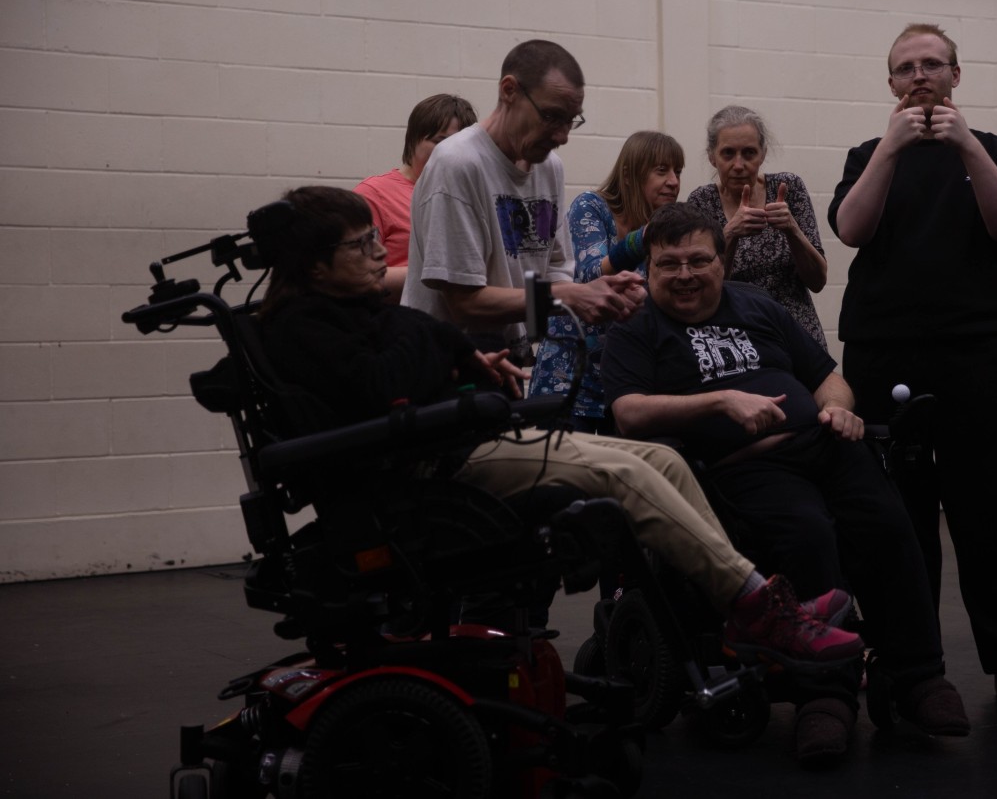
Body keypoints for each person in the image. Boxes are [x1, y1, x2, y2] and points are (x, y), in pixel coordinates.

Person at [252, 185, 865, 667]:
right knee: (621, 471)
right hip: (423, 467)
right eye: (359, 247)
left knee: (662, 460)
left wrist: (460, 358)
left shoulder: (351, 312)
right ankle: (758, 606)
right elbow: (396, 370)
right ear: (313, 266)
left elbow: (408, 353)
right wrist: (443, 342)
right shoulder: (302, 327)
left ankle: (741, 603)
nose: (374, 255)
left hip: (456, 439)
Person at [603, 202, 968, 765]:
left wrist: (839, 410)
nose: (684, 275)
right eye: (667, 264)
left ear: (722, 262)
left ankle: (919, 678)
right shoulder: (636, 326)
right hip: (745, 468)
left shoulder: (758, 305)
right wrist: (723, 400)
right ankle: (826, 699)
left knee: (891, 528)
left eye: (698, 260)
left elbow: (827, 378)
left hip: (825, 445)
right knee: (807, 537)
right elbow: (627, 412)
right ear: (646, 270)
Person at [828, 23, 997, 708]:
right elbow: (851, 229)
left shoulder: (995, 150)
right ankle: (907, 662)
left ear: (957, 76)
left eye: (933, 64)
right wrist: (891, 151)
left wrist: (964, 144)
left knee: (986, 511)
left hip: (973, 352)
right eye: (906, 68)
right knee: (898, 520)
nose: (920, 75)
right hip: (882, 352)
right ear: (891, 83)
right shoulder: (868, 153)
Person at [401, 39, 646, 363]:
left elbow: (556, 267)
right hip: (441, 366)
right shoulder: (458, 163)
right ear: (509, 91)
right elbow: (464, 301)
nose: (563, 136)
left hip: (509, 359)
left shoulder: (549, 168)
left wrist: (598, 295)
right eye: (552, 117)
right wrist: (570, 295)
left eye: (571, 119)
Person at [529, 131, 684, 432]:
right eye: (662, 170)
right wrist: (645, 238)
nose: (674, 181)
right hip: (567, 378)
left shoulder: (659, 230)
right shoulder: (592, 206)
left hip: (625, 386)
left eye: (677, 171)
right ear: (629, 174)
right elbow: (589, 275)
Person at [685, 105, 829, 348]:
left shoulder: (788, 188)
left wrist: (792, 230)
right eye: (728, 153)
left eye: (749, 153)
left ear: (762, 154)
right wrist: (729, 234)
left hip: (795, 334)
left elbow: (818, 281)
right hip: (735, 338)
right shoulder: (701, 201)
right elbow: (705, 291)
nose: (739, 164)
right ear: (712, 156)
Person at [354, 93, 477, 301]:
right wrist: (440, 274)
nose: (451, 153)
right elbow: (357, 275)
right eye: (440, 141)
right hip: (400, 323)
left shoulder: (472, 195)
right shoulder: (375, 194)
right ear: (414, 139)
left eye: (460, 144)